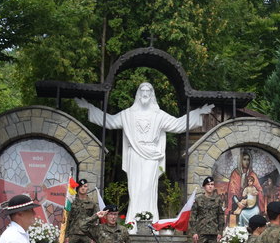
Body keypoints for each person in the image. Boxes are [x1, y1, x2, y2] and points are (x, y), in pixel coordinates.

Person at [75, 82, 213, 225]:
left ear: (152, 94)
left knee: (148, 187)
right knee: (134, 189)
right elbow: (110, 121)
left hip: (151, 155)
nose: (145, 93)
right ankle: (132, 222)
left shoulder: (159, 115)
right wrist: (89, 108)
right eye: (142, 91)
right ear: (138, 94)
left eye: (148, 91)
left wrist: (198, 113)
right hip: (134, 154)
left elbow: (178, 124)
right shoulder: (128, 114)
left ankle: (150, 221)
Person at [226, 150, 265, 223]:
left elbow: (259, 189)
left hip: (251, 204)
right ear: (240, 160)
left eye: (248, 160)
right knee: (238, 214)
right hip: (237, 203)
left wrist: (256, 193)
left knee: (255, 212)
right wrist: (238, 203)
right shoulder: (235, 174)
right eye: (244, 159)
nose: (247, 162)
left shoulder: (252, 174)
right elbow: (232, 191)